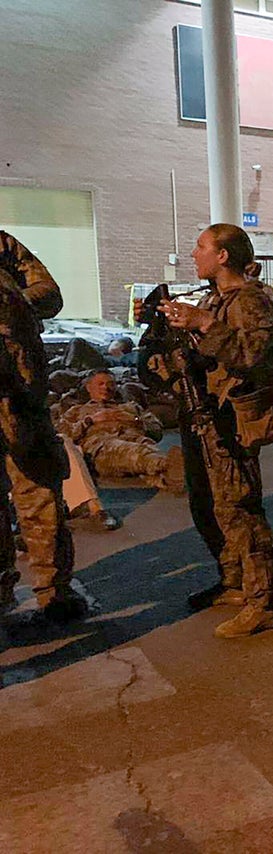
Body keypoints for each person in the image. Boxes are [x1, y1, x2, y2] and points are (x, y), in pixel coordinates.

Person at [137, 224, 273, 638]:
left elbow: (256, 355)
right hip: (206, 414)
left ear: (223, 256)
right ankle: (235, 581)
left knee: (241, 508)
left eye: (202, 247)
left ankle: (263, 601)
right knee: (216, 505)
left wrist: (204, 322)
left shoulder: (250, 299)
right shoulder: (216, 300)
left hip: (233, 417)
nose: (194, 254)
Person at [0, 231, 82, 620]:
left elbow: (50, 293)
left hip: (20, 390)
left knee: (39, 489)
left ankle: (54, 591)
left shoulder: (3, 247)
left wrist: (14, 302)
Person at [59, 370, 185, 491]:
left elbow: (157, 431)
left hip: (138, 441)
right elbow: (63, 435)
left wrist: (135, 420)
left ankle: (168, 478)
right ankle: (168, 463)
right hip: (103, 447)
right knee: (133, 453)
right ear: (89, 387)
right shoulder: (77, 410)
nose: (106, 388)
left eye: (111, 384)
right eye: (101, 384)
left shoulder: (131, 407)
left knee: (151, 466)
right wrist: (89, 421)